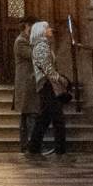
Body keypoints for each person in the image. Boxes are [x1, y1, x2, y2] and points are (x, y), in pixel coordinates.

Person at [27, 20, 68, 158]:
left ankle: (34, 146)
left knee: (44, 118)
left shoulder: (43, 45)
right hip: (47, 85)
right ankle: (60, 149)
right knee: (57, 118)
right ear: (41, 31)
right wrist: (60, 79)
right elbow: (48, 68)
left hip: (46, 84)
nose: (50, 29)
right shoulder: (41, 47)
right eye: (47, 27)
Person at [11, 16, 37, 151]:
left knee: (29, 114)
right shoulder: (21, 41)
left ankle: (29, 144)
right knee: (28, 114)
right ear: (27, 26)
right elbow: (35, 55)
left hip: (31, 82)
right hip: (26, 83)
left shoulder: (29, 40)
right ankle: (29, 144)